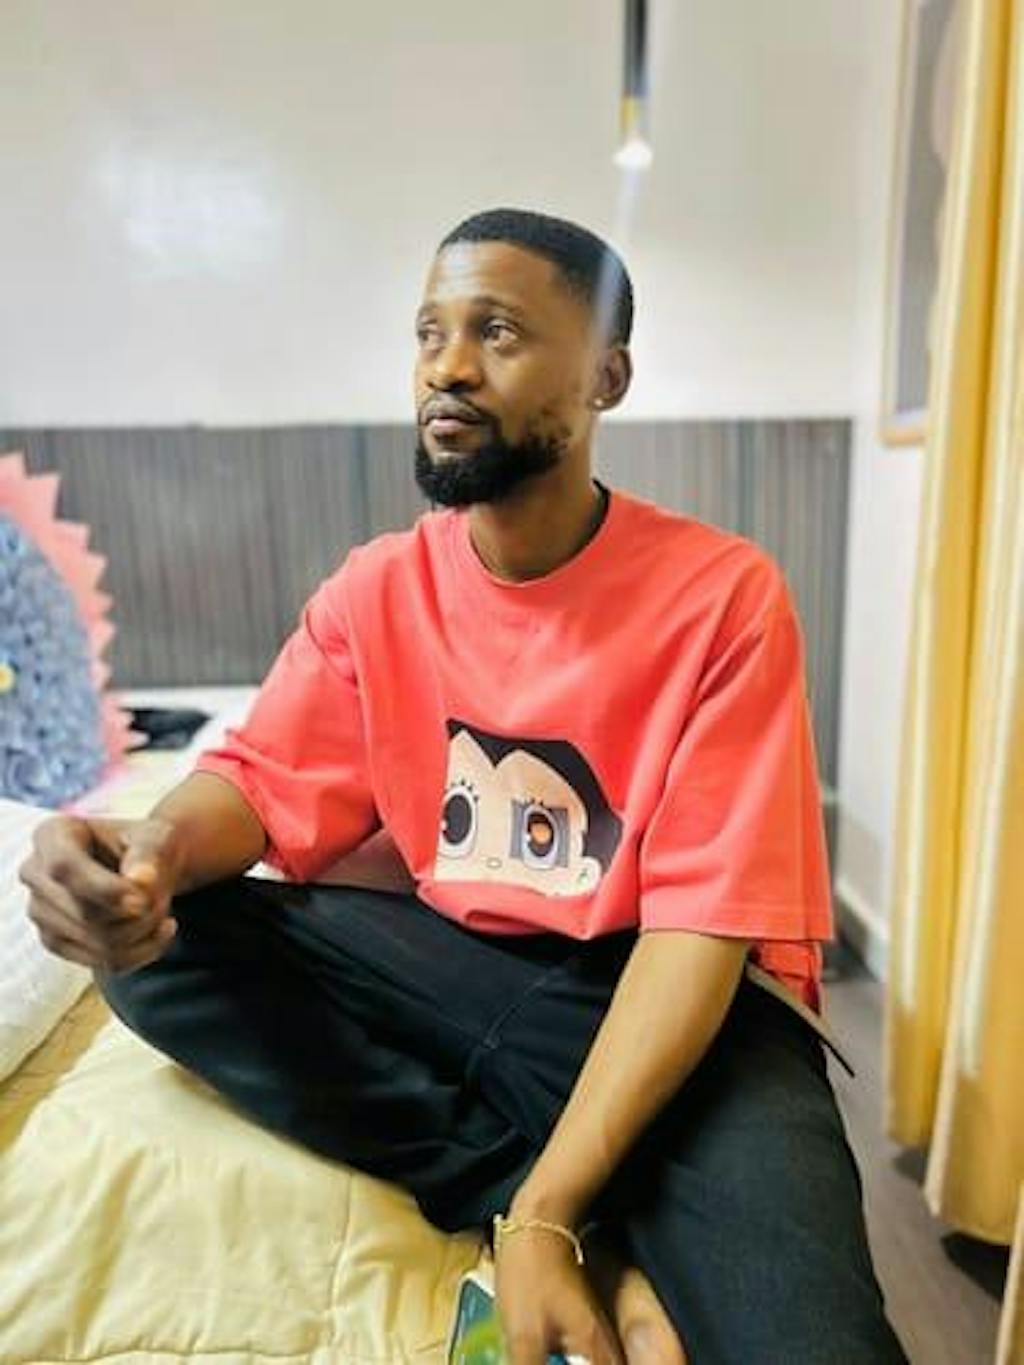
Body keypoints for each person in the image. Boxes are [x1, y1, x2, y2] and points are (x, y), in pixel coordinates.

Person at [20, 208, 908, 1365]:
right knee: (160, 948)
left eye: (496, 332)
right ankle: (587, 1235)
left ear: (605, 378)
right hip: (457, 968)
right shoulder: (376, 590)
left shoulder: (722, 597)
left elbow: (698, 935)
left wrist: (544, 1213)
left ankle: (560, 1206)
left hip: (677, 999)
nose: (446, 365)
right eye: (429, 333)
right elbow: (257, 783)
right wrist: (145, 858)